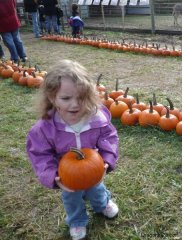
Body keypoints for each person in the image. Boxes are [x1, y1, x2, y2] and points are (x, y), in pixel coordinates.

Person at [26, 60, 119, 240]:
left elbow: (109, 137)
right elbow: (40, 154)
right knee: (71, 199)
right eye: (66, 98)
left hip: (93, 168)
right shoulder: (45, 128)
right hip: (66, 174)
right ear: (52, 98)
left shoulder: (96, 119)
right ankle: (77, 221)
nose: (75, 105)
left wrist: (107, 159)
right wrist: (53, 175)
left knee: (97, 188)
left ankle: (102, 204)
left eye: (81, 98)